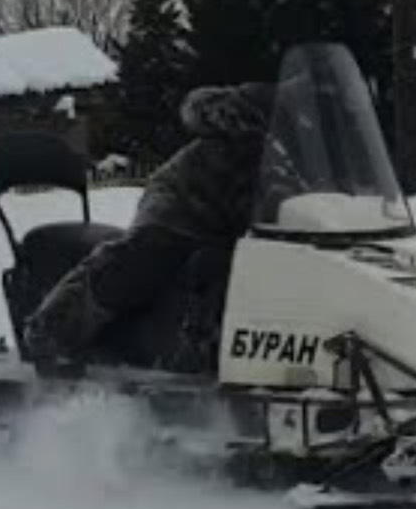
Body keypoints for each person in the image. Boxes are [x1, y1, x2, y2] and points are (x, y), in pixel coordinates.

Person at [22, 80, 277, 374]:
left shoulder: (305, 134)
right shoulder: (242, 135)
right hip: (180, 205)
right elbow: (245, 195)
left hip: (228, 220)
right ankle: (53, 330)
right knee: (148, 255)